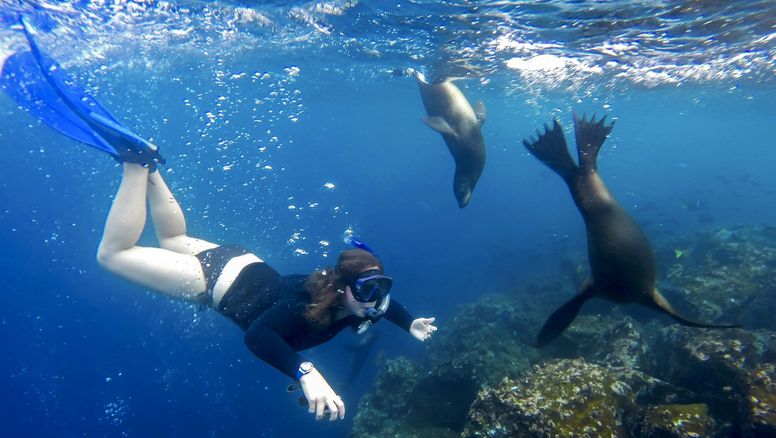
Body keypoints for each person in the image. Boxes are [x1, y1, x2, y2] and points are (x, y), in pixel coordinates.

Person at [2, 17, 438, 422]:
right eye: (370, 290)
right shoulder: (306, 309)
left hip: (239, 262)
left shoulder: (356, 300)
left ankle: (152, 166)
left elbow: (384, 307)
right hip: (213, 283)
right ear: (344, 288)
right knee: (113, 254)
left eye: (381, 288)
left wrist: (408, 320)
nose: (377, 299)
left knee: (175, 235)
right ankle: (136, 165)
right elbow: (260, 338)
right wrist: (306, 371)